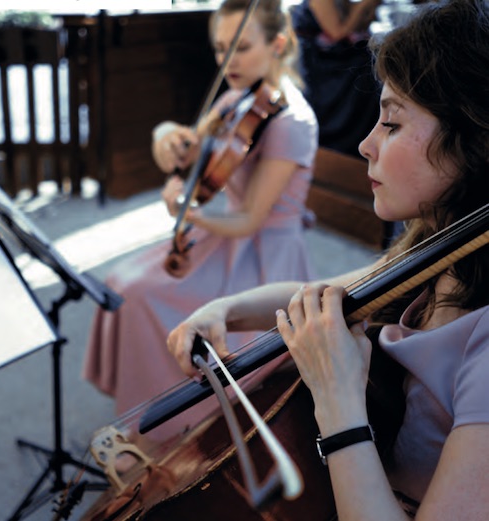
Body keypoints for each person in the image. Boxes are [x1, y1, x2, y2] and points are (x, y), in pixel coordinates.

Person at [167, 0, 489, 517]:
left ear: (473, 140)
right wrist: (226, 308)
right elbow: (331, 296)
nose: (365, 144)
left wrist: (337, 399)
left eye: (391, 122)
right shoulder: (440, 253)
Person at [83, 0, 318, 444]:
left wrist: (188, 211)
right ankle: (146, 400)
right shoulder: (236, 98)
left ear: (278, 44)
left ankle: (164, 423)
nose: (226, 61)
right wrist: (164, 136)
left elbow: (251, 218)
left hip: (262, 253)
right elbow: (190, 150)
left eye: (241, 47)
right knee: (119, 281)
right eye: (220, 49)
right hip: (219, 234)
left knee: (138, 293)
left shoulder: (293, 122)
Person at [291, 0, 382, 157]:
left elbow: (360, 25)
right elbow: (337, 32)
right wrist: (364, 5)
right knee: (366, 69)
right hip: (317, 63)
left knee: (372, 61)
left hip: (335, 56)